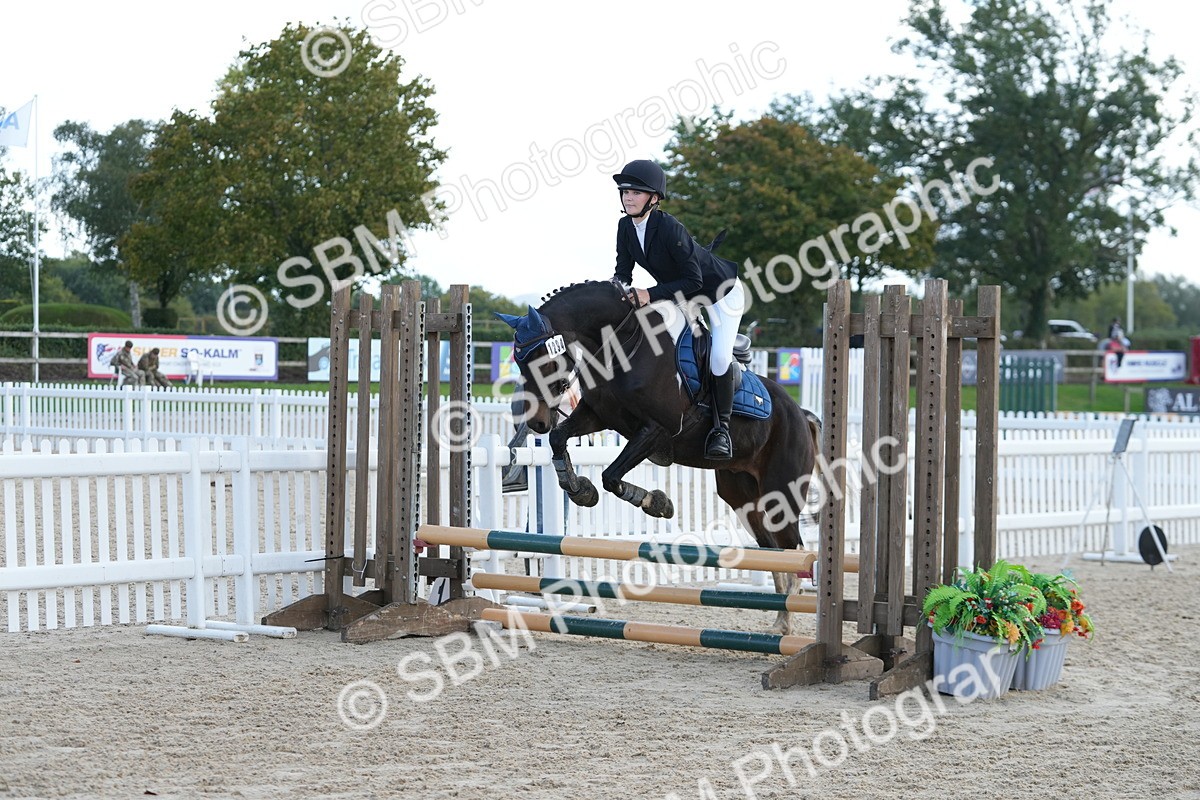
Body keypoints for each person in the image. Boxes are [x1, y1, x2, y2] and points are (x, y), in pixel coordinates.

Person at [610, 159, 745, 459]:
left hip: (722, 293)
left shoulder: (670, 228)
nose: (628, 197)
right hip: (684, 295)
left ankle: (721, 430)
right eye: (624, 192)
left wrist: (649, 293)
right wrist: (610, 292)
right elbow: (622, 273)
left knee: (720, 357)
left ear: (654, 198)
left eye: (636, 192)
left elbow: (694, 279)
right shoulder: (625, 227)